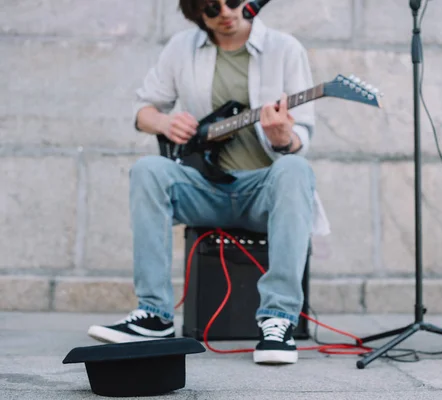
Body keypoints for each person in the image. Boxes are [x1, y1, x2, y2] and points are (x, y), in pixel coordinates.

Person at [86, 0, 329, 365]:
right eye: (213, 7)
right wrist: (164, 124)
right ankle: (154, 315)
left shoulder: (285, 49)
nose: (226, 13)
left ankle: (278, 320)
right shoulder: (181, 47)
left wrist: (282, 138)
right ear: (197, 11)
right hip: (205, 188)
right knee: (148, 170)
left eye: (232, 2)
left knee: (295, 170)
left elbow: (302, 138)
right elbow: (143, 110)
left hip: (263, 193)